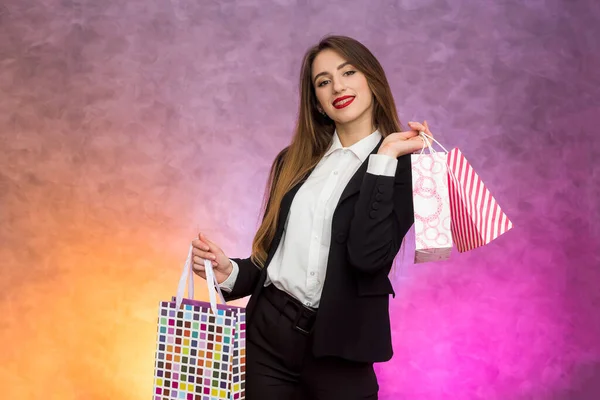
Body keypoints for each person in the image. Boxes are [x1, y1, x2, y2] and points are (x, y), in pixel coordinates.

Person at [191, 35, 434, 400]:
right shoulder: (292, 162)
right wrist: (230, 272)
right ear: (318, 103)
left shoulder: (407, 170)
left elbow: (367, 257)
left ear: (372, 80)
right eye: (323, 81)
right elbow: (273, 259)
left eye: (348, 72)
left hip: (341, 348)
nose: (338, 86)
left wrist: (384, 158)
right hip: (266, 339)